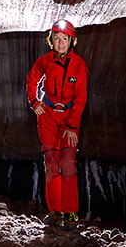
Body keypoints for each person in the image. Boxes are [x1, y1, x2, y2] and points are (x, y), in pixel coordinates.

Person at [27, 18, 87, 229]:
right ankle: (55, 210)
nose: (61, 42)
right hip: (49, 115)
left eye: (65, 39)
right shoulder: (45, 61)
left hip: (69, 116)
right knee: (52, 163)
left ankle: (71, 212)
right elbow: (32, 79)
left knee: (67, 162)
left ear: (72, 41)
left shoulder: (79, 65)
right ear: (51, 40)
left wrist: (72, 126)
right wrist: (34, 102)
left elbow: (81, 98)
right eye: (57, 38)